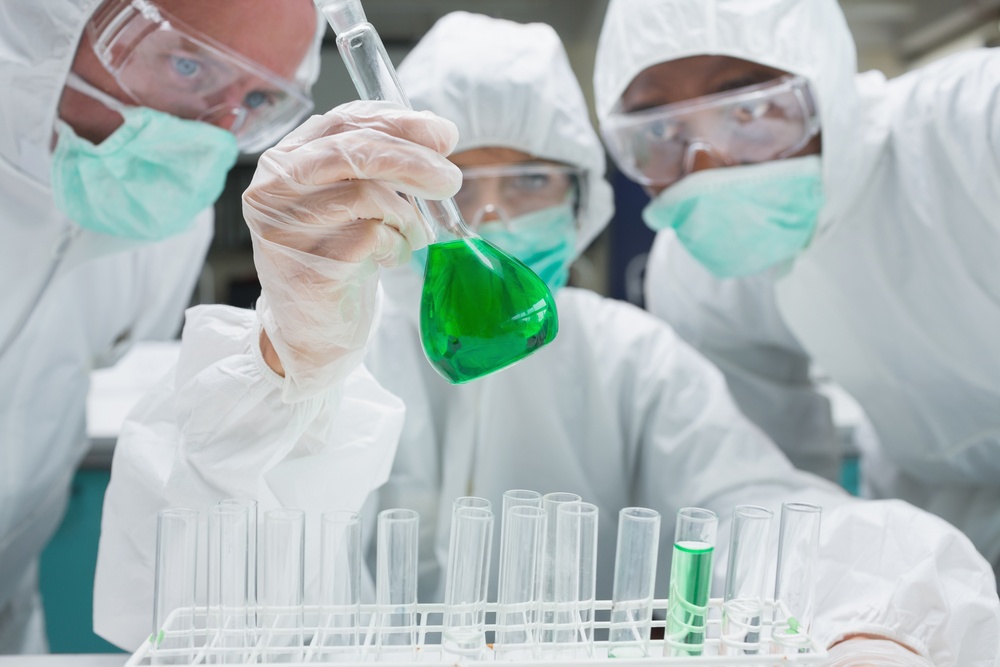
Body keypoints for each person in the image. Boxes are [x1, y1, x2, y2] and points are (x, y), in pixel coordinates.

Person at [93, 9, 998, 665]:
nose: (481, 217)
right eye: (449, 185)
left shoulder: (633, 359)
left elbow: (762, 514)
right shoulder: (326, 342)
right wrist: (285, 369)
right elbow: (184, 601)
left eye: (527, 182)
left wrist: (877, 620)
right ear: (392, 196)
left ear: (584, 199)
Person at [0, 0, 437, 653]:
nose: (219, 128)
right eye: (187, 64)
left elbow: (183, 525)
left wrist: (285, 362)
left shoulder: (158, 218)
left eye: (260, 97)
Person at [593, 0, 1000, 575]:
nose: (707, 166)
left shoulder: (975, 125)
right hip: (933, 530)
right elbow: (769, 493)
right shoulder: (694, 267)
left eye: (753, 109)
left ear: (826, 88)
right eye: (659, 130)